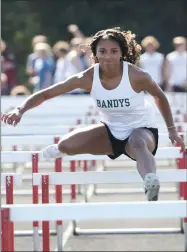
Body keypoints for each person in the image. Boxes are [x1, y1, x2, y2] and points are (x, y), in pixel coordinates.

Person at [1, 27, 185, 202]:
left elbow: (160, 96)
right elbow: (47, 93)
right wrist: (20, 109)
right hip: (111, 130)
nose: (108, 57)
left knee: (137, 141)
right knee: (66, 145)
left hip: (142, 129)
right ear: (95, 54)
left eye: (114, 51)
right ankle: (62, 149)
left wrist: (172, 130)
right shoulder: (87, 77)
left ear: (122, 53)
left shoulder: (137, 76)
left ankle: (150, 181)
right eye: (102, 51)